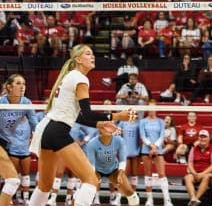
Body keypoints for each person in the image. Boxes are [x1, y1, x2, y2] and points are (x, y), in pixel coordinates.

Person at [29, 44, 134, 206]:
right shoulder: (80, 78)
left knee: (44, 186)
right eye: (87, 54)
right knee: (91, 181)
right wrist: (118, 116)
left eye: (92, 54)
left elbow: (78, 116)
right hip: (57, 131)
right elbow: (88, 112)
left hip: (47, 131)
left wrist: (100, 125)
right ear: (78, 59)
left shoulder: (70, 76)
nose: (92, 56)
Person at [0, 74, 39, 206]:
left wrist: (42, 138)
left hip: (6, 143)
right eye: (18, 83)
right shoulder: (1, 102)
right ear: (9, 87)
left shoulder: (26, 103)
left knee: (12, 180)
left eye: (24, 83)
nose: (22, 86)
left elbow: (35, 124)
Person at [85, 127, 139, 206]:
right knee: (85, 191)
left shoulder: (119, 140)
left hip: (113, 170)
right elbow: (91, 165)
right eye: (104, 127)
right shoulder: (92, 143)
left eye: (109, 127)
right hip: (97, 170)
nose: (107, 129)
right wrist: (92, 179)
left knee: (131, 194)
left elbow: (122, 160)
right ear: (100, 129)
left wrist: (120, 175)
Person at [139, 100, 173, 206]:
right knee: (147, 174)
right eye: (149, 107)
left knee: (162, 174)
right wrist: (150, 145)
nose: (151, 110)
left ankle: (167, 200)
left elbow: (162, 135)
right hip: (146, 149)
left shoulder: (160, 121)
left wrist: (155, 146)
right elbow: (143, 135)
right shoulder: (143, 121)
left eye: (153, 108)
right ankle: (150, 199)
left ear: (156, 109)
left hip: (157, 149)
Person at [184, 130, 212, 206]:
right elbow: (190, 163)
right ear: (198, 138)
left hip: (206, 173)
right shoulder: (194, 149)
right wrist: (194, 173)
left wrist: (202, 174)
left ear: (209, 138)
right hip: (195, 173)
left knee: (206, 177)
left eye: (204, 137)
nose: (202, 139)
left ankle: (196, 199)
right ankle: (193, 197)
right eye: (201, 137)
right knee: (187, 177)